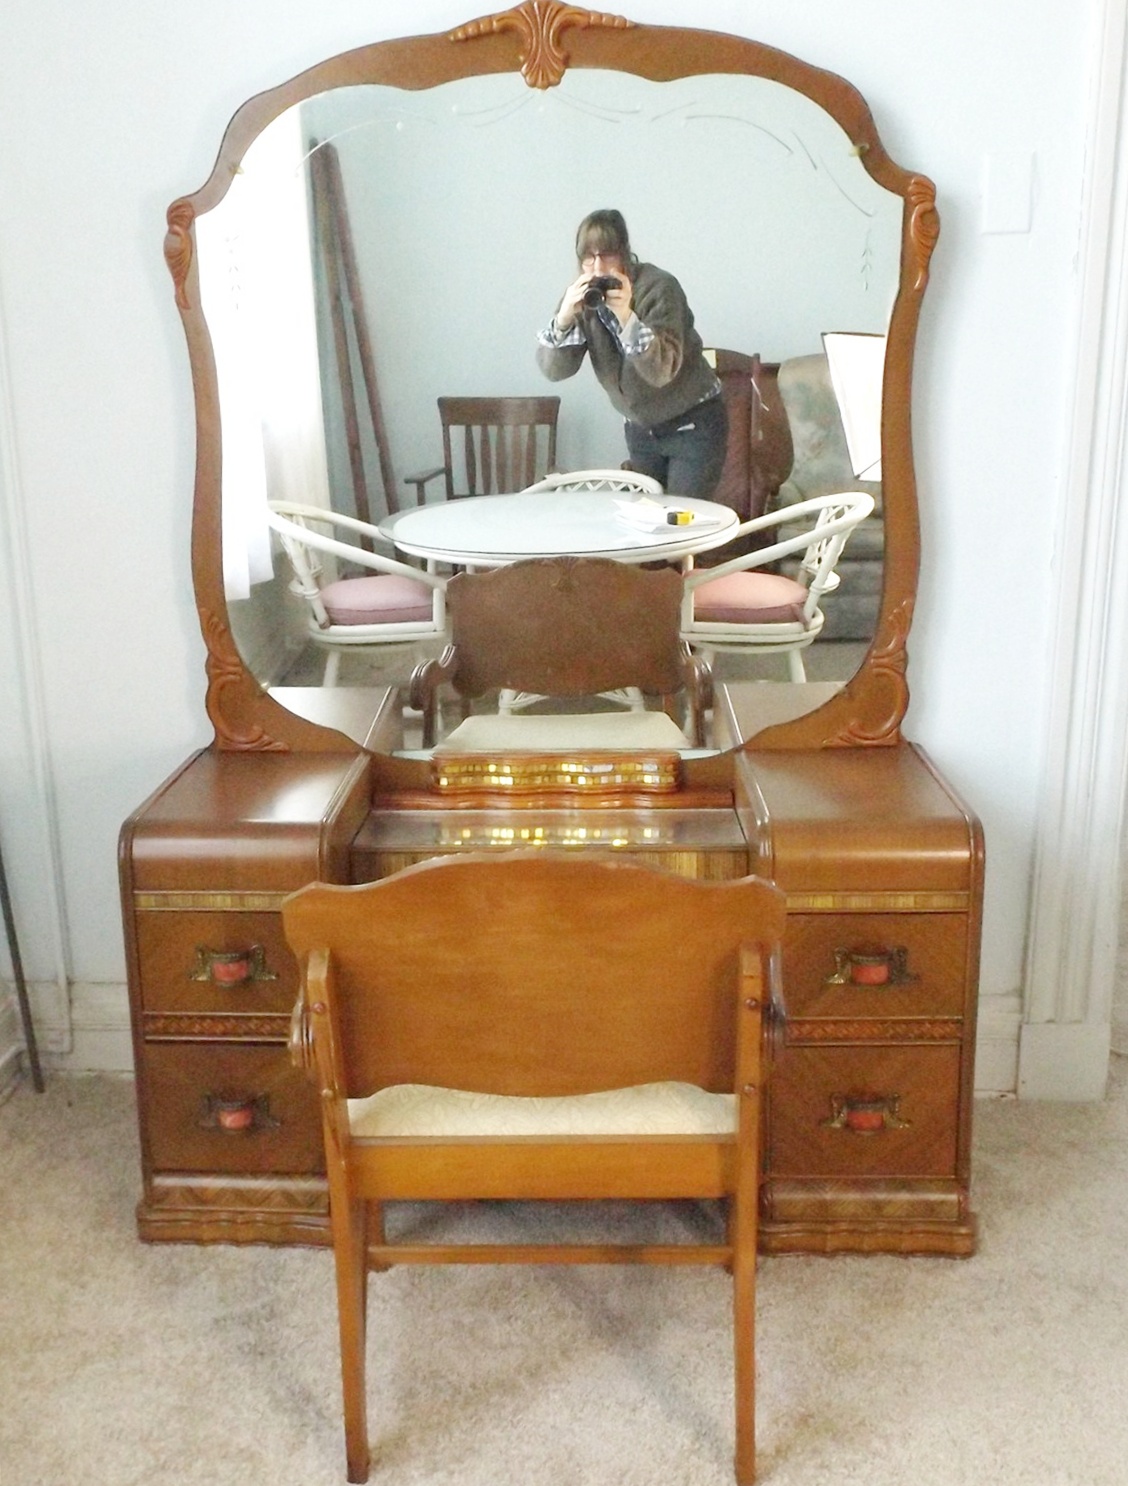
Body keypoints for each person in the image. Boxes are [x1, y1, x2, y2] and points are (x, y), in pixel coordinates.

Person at [536, 208, 727, 499]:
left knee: (682, 518)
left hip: (693, 422)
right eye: (588, 257)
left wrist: (627, 317)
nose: (598, 267)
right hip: (641, 430)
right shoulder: (582, 296)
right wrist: (563, 320)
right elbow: (555, 371)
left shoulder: (659, 288)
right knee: (644, 517)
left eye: (607, 255)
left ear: (624, 253)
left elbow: (662, 370)